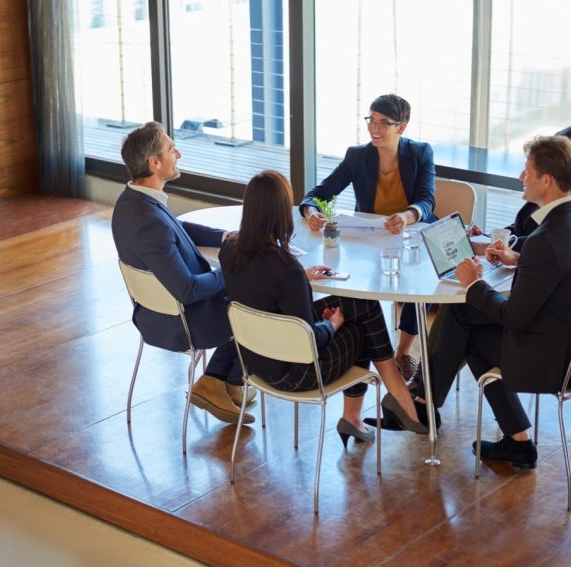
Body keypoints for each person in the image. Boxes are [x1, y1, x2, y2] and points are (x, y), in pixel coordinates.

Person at [400, 135, 571, 468]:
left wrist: (474, 282)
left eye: (526, 171)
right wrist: (519, 259)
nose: (520, 176)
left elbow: (514, 318)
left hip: (558, 361)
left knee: (469, 329)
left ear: (546, 181)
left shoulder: (547, 240)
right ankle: (429, 405)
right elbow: (562, 268)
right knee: (465, 316)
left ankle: (426, 405)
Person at [220, 169, 426, 444]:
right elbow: (309, 343)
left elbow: (261, 291)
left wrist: (303, 278)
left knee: (360, 305)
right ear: (281, 211)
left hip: (256, 362)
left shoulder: (231, 249)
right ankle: (400, 401)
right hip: (297, 373)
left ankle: (361, 416)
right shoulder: (286, 269)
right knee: (362, 322)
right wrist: (331, 325)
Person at [112, 121, 256, 427]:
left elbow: (178, 229)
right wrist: (235, 271)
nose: (178, 152)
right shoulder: (148, 222)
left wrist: (231, 238)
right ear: (155, 163)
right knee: (259, 298)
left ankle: (230, 380)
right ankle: (214, 380)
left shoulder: (133, 202)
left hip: (154, 313)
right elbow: (188, 290)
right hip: (183, 322)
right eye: (170, 148)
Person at [298, 94, 435, 381]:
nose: (375, 127)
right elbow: (317, 194)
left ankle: (403, 351)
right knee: (355, 286)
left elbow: (427, 201)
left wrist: (408, 216)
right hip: (371, 237)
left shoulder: (420, 153)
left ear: (402, 127)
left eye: (384, 122)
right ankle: (362, 351)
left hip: (410, 235)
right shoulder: (357, 156)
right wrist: (311, 211)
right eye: (371, 120)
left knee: (415, 286)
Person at [469, 126, 571, 255]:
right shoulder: (551, 189)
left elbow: (548, 242)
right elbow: (522, 228)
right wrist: (488, 237)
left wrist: (493, 247)